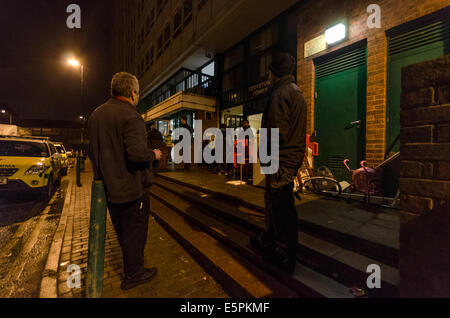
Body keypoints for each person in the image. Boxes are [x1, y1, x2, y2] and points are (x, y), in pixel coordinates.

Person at [88, 72, 162, 290]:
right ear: (132, 92)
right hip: (132, 189)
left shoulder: (96, 115)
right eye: (138, 92)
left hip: (108, 188)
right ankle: (134, 274)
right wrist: (154, 155)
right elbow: (137, 154)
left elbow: (93, 151)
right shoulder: (131, 116)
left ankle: (132, 267)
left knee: (123, 232)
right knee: (135, 234)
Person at [250, 52, 307, 275]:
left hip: (280, 159)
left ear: (275, 73)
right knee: (276, 204)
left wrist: (265, 158)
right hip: (287, 158)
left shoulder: (281, 94)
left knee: (281, 207)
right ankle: (269, 241)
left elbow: (275, 133)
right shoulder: (295, 92)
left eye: (269, 72)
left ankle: (285, 255)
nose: (267, 76)